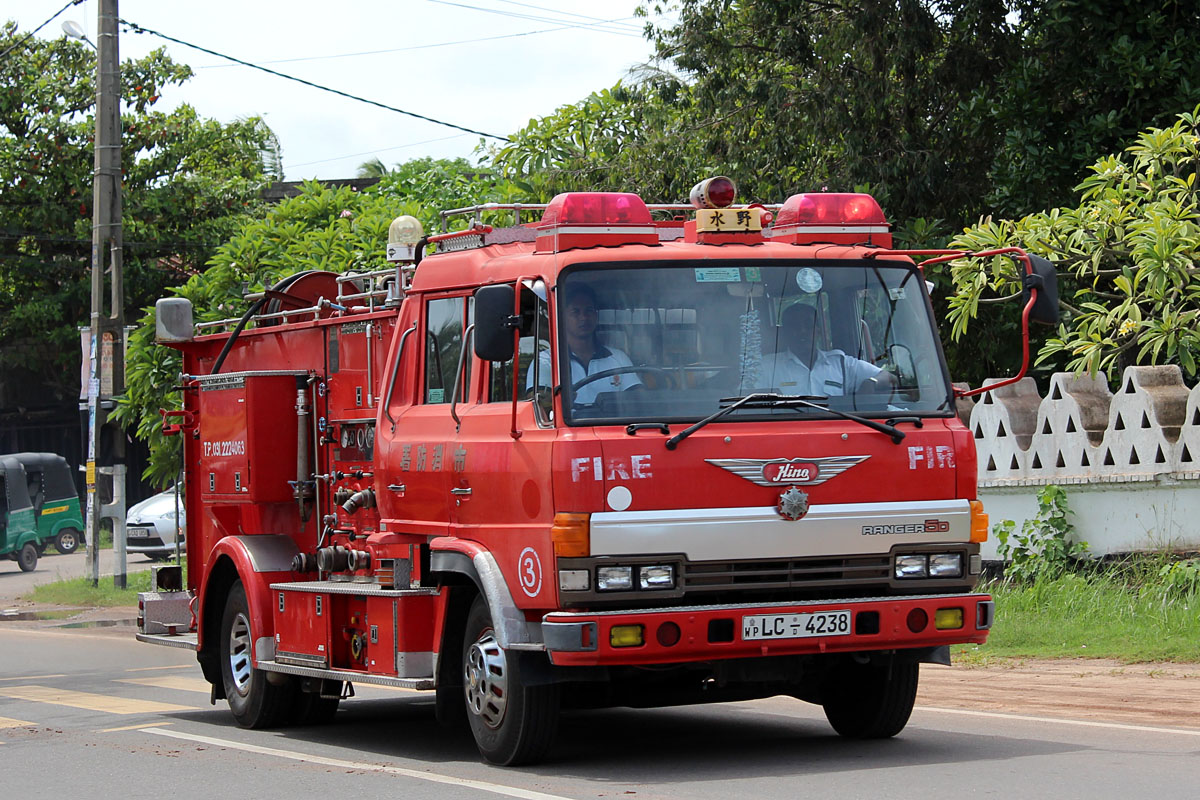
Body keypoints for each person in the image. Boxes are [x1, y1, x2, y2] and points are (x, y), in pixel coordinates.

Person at [531, 283, 643, 405]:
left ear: (595, 315)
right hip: (566, 424)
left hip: (616, 424)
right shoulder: (546, 361)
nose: (583, 317)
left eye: (589, 311)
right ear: (563, 317)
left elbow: (639, 399)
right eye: (575, 312)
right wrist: (558, 402)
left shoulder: (618, 358)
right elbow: (539, 405)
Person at [764, 303, 895, 397]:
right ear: (785, 332)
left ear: (819, 331)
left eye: (809, 325)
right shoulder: (767, 367)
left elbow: (888, 377)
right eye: (795, 326)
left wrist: (871, 383)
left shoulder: (841, 363)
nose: (802, 331)